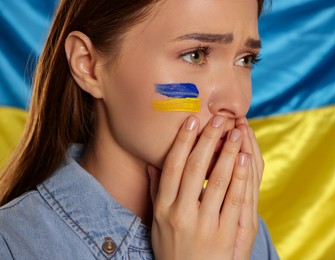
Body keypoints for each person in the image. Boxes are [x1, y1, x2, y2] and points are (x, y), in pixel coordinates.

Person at [0, 0, 279, 259]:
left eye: (246, 59)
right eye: (195, 55)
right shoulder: (12, 245)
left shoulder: (245, 236)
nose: (236, 103)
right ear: (88, 65)